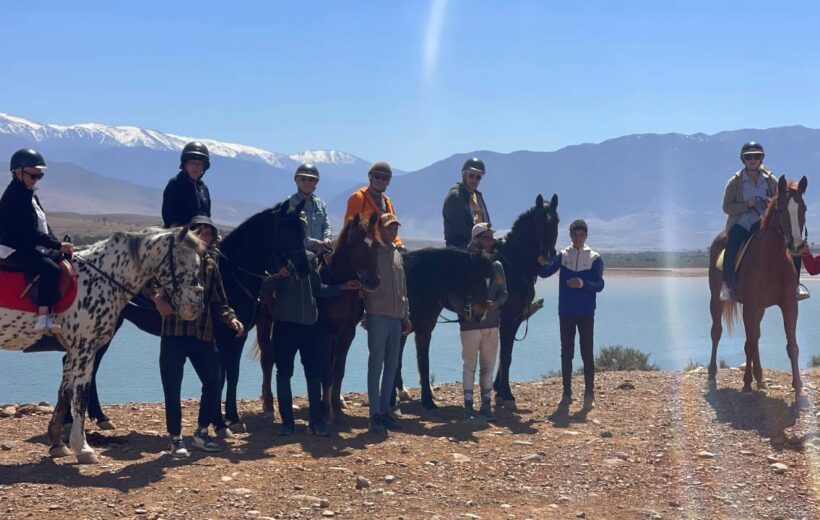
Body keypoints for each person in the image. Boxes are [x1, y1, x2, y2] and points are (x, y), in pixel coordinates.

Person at [150, 216, 244, 458]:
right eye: (200, 232)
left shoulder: (211, 265)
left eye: (209, 234)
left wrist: (231, 318)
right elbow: (149, 279)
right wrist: (158, 299)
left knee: (213, 382)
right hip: (174, 332)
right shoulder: (174, 258)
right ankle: (175, 438)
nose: (205, 237)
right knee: (172, 388)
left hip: (203, 333)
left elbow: (219, 300)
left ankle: (201, 432)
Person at [272, 216, 360, 437]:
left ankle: (316, 421)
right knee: (284, 372)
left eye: (301, 229)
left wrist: (342, 287)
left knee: (313, 372)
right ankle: (287, 422)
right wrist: (276, 277)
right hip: (284, 324)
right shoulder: (276, 259)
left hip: (309, 324)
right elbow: (264, 288)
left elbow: (318, 289)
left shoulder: (311, 258)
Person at [0, 149, 74, 332]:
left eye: (39, 176)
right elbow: (30, 233)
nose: (36, 180)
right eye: (33, 176)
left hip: (30, 244)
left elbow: (43, 227)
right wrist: (57, 245)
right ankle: (43, 318)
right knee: (50, 269)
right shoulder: (14, 197)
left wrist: (59, 245)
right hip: (14, 247)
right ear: (18, 172)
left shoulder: (30, 195)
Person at [537, 219, 604, 410]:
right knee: (566, 352)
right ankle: (566, 394)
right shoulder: (563, 255)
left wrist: (582, 284)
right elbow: (545, 273)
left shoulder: (594, 258)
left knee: (587, 352)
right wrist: (540, 263)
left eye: (581, 235)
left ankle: (589, 394)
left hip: (586, 312)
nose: (577, 238)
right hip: (566, 312)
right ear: (570, 236)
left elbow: (600, 285)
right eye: (575, 235)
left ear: (586, 236)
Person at [450, 223, 507, 421]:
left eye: (491, 238)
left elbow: (504, 293)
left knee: (488, 367)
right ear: (476, 239)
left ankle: (485, 405)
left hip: (492, 324)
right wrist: (465, 311)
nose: (490, 242)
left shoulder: (496, 266)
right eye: (486, 238)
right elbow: (453, 294)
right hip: (470, 325)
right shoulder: (463, 263)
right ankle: (467, 406)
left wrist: (496, 304)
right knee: (469, 366)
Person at [364, 213, 411, 434]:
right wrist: (366, 311)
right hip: (378, 315)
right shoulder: (372, 252)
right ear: (380, 229)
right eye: (389, 228)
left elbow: (403, 288)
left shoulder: (397, 255)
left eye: (395, 229)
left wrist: (406, 316)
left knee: (392, 365)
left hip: (396, 317)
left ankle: (385, 410)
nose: (392, 232)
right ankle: (374, 414)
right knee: (376, 365)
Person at [344, 161, 404, 249]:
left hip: (384, 249)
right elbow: (349, 229)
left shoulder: (387, 202)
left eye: (385, 178)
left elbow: (393, 228)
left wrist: (398, 243)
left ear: (388, 181)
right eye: (377, 177)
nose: (380, 180)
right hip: (361, 249)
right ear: (370, 178)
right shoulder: (358, 198)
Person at [442, 157, 491, 249]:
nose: (474, 180)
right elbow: (459, 227)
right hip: (459, 247)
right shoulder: (455, 197)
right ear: (464, 175)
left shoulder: (478, 196)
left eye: (478, 177)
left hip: (480, 244)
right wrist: (479, 238)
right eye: (471, 176)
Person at [162, 141, 212, 228]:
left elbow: (207, 215)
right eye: (192, 163)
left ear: (204, 167)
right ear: (185, 164)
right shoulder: (175, 184)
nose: (196, 167)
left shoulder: (204, 189)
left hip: (201, 231)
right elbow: (169, 216)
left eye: (199, 164)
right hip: (178, 231)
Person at [289, 163, 333, 253]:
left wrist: (327, 238)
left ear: (316, 182)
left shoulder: (321, 204)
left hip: (321, 250)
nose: (307, 182)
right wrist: (314, 243)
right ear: (297, 181)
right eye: (303, 179)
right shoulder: (290, 204)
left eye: (311, 179)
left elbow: (326, 226)